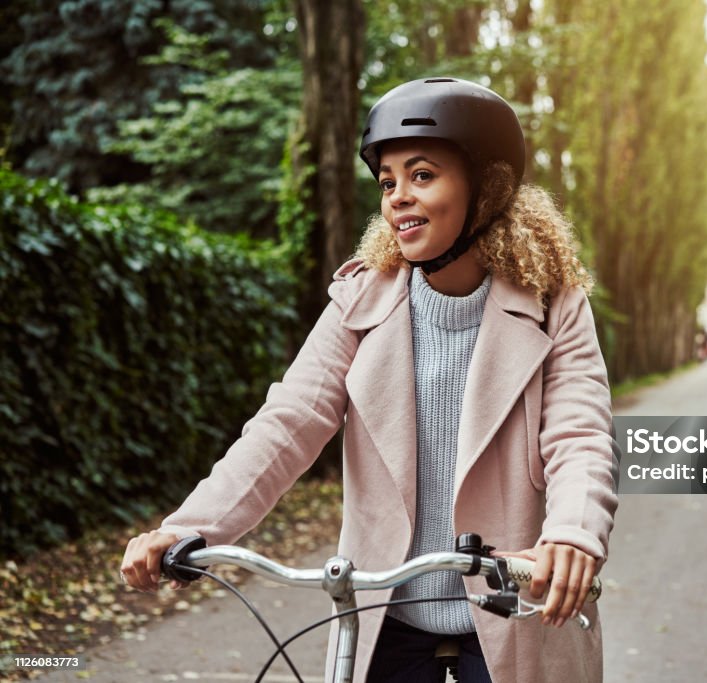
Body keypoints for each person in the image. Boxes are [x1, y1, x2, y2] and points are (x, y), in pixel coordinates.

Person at [120, 77, 619, 683]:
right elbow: (288, 422)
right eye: (387, 182)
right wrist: (188, 527)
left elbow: (580, 433)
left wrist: (571, 535)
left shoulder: (553, 302)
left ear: (487, 187)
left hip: (514, 609)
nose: (397, 198)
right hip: (386, 613)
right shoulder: (359, 301)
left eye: (422, 175)